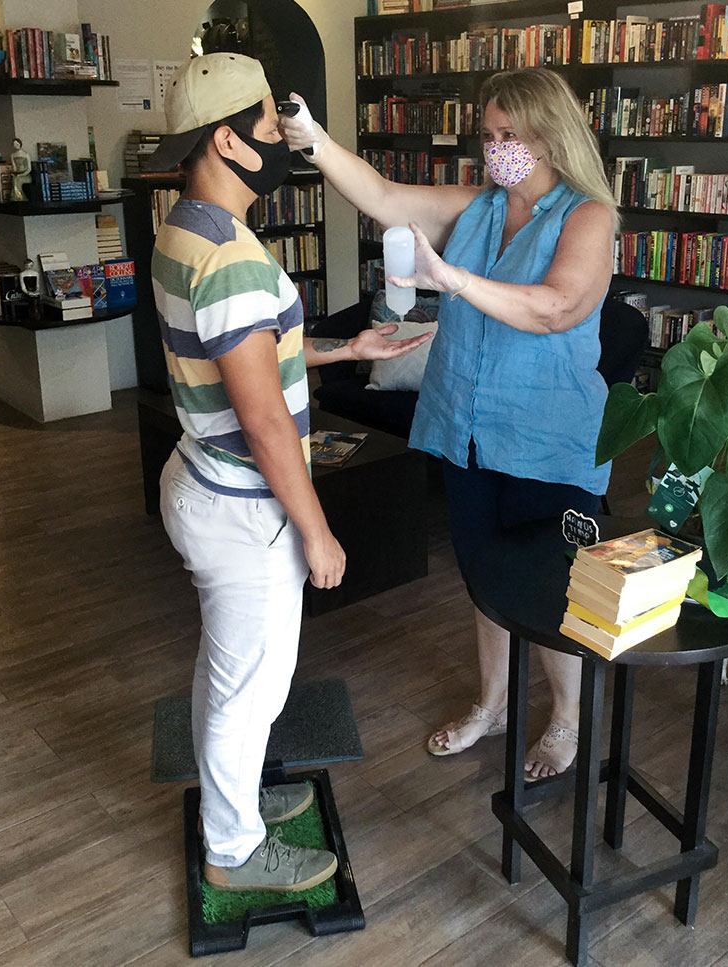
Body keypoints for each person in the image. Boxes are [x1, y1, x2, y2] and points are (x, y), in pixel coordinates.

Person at [280, 67, 618, 780]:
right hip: (465, 427)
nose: (495, 149)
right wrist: (315, 142)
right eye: (489, 135)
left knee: (554, 588)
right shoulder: (480, 209)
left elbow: (555, 306)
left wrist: (452, 279)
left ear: (548, 136)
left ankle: (567, 720)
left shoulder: (588, 215)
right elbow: (383, 196)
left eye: (508, 136)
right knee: (485, 576)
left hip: (547, 440)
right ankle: (492, 702)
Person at [147, 53, 432, 892]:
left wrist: (348, 347)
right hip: (244, 508)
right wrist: (317, 531)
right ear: (228, 141)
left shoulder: (186, 225)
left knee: (225, 674)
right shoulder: (229, 256)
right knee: (249, 693)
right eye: (273, 122)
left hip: (202, 480)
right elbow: (265, 418)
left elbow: (247, 353)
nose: (288, 134)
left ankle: (227, 800)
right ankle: (233, 851)